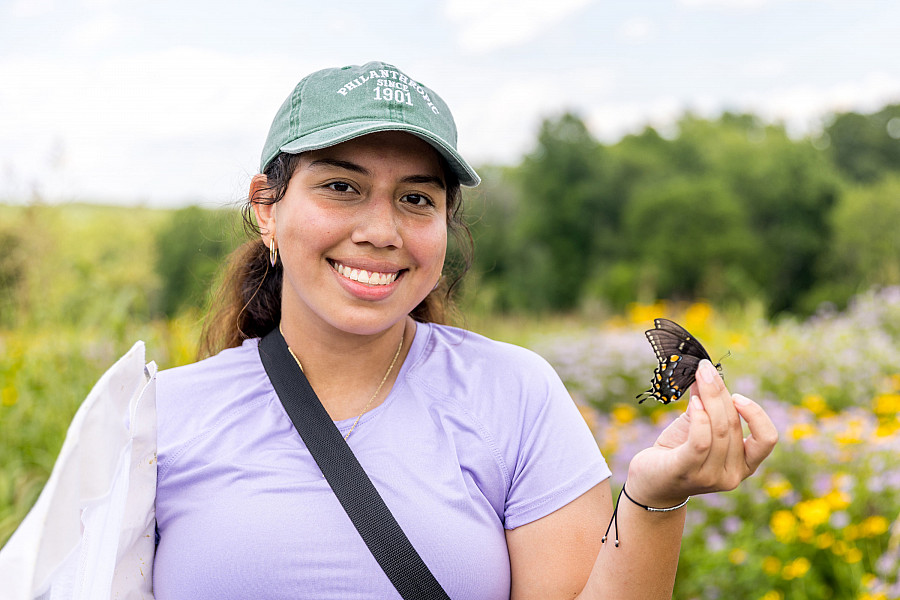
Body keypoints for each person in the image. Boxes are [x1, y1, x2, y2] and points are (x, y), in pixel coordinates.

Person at [151, 60, 778, 599]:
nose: (381, 231)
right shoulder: (157, 418)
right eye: (341, 187)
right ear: (267, 208)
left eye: (416, 199)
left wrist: (652, 498)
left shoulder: (514, 392)